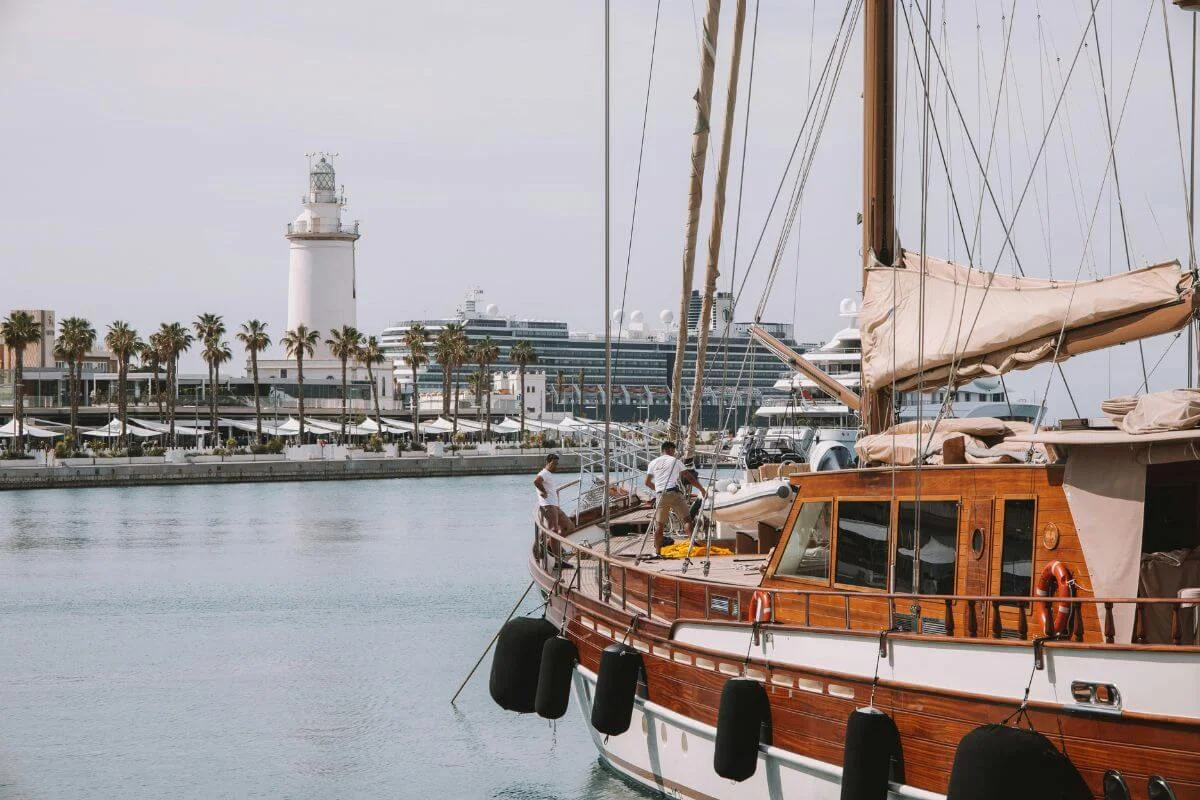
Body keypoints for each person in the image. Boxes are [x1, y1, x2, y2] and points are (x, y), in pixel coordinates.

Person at [644, 441, 705, 554]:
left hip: (661, 495)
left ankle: (657, 552)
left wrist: (658, 490)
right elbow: (689, 478)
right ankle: (692, 545)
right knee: (687, 520)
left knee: (660, 525)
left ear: (662, 450)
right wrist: (702, 489)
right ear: (671, 450)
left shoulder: (652, 463)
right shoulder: (675, 461)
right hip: (674, 493)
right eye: (673, 450)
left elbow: (647, 482)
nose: (674, 452)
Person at [534, 453, 571, 560]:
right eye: (554, 464)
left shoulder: (548, 474)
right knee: (554, 530)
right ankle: (557, 560)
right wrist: (543, 492)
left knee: (568, 527)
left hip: (554, 505)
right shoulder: (544, 473)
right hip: (548, 505)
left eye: (557, 464)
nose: (556, 466)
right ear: (547, 462)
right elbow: (536, 481)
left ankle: (548, 543)